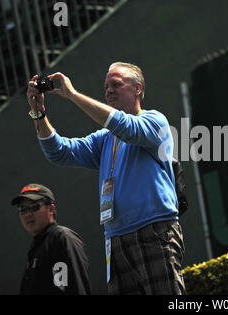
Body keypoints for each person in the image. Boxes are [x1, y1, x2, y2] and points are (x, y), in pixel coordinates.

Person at [26, 62, 186, 295]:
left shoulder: (155, 121)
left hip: (153, 230)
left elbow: (125, 126)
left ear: (137, 88)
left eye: (116, 85)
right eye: (106, 86)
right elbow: (59, 152)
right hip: (115, 239)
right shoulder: (105, 140)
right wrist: (38, 113)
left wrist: (73, 96)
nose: (109, 90)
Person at [11, 183, 91, 295]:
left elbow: (76, 289)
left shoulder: (62, 238)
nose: (27, 214)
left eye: (34, 207)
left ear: (51, 209)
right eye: (22, 209)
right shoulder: (37, 245)